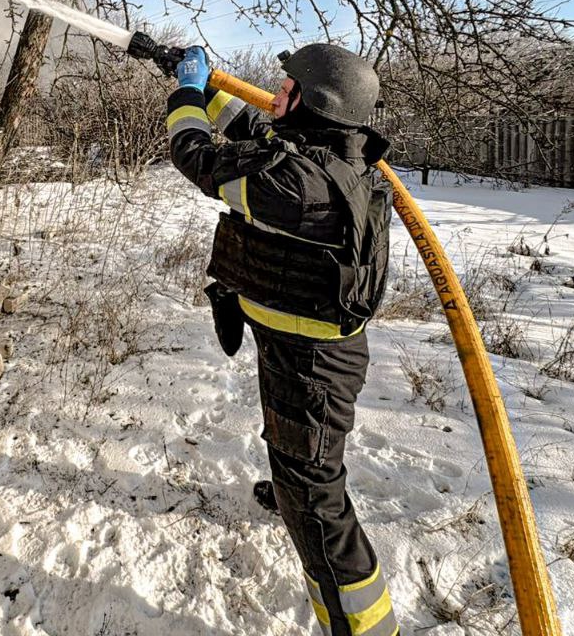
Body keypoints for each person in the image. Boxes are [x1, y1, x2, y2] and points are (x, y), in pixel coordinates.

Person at [165, 44, 399, 636]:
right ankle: (293, 482)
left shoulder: (295, 185)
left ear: (315, 105)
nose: (274, 93)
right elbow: (254, 130)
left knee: (318, 504)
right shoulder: (324, 159)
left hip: (312, 366)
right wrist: (194, 77)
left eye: (287, 87)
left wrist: (186, 95)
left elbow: (198, 157)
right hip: (297, 348)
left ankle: (366, 627)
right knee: (297, 459)